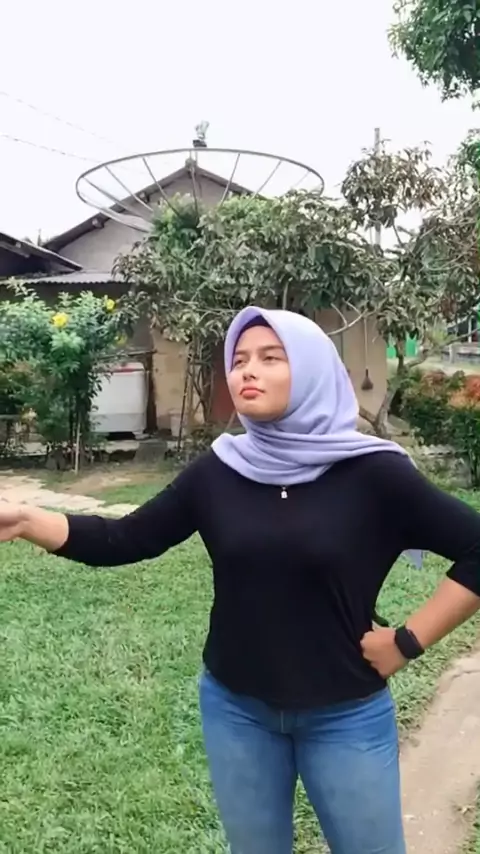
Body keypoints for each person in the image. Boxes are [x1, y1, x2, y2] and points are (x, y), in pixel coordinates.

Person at [2, 306, 480, 854]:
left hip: (344, 713)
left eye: (271, 358)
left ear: (312, 370)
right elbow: (125, 539)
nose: (247, 370)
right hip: (236, 711)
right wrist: (25, 520)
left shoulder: (374, 474)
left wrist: (408, 641)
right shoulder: (221, 469)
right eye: (239, 359)